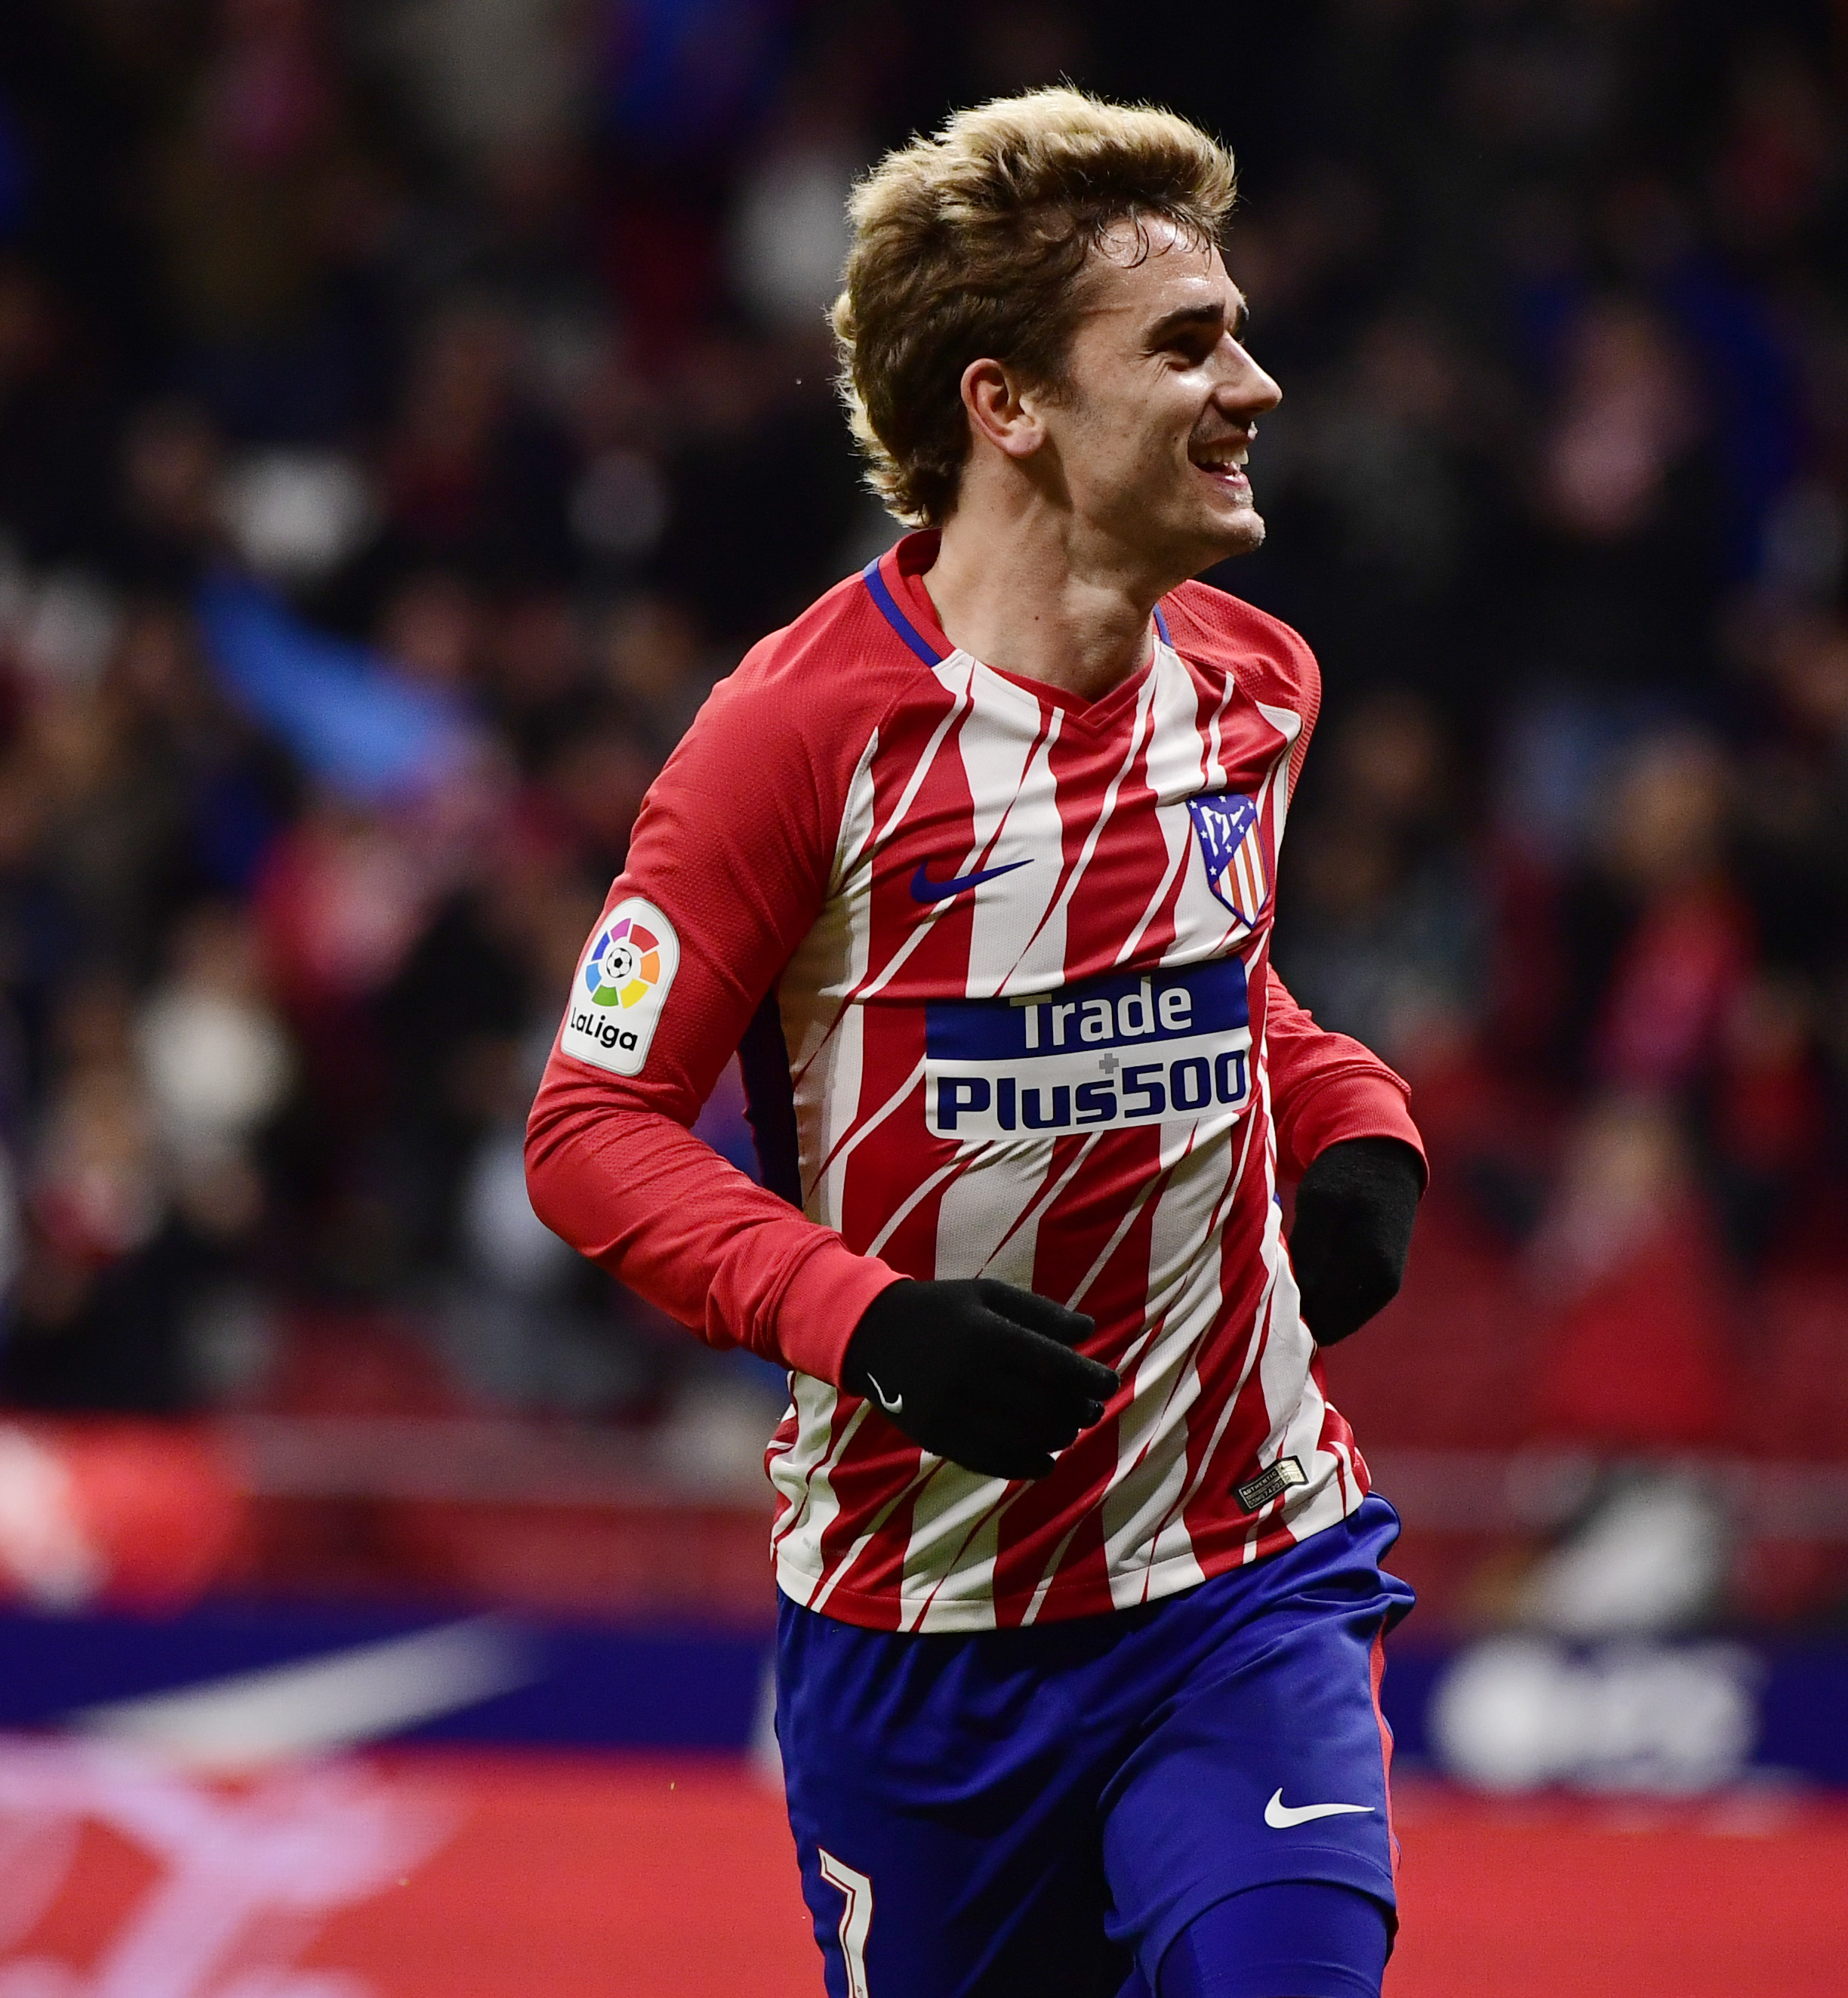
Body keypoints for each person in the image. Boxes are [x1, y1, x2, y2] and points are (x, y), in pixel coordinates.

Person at [524, 90, 1428, 1998]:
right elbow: (591, 1129)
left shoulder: (1255, 686)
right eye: (1185, 344)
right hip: (919, 1629)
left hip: (1240, 1577)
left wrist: (1352, 1120)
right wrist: (868, 1326)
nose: (1254, 384)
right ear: (1007, 403)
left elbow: (1223, 977)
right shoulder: (790, 740)